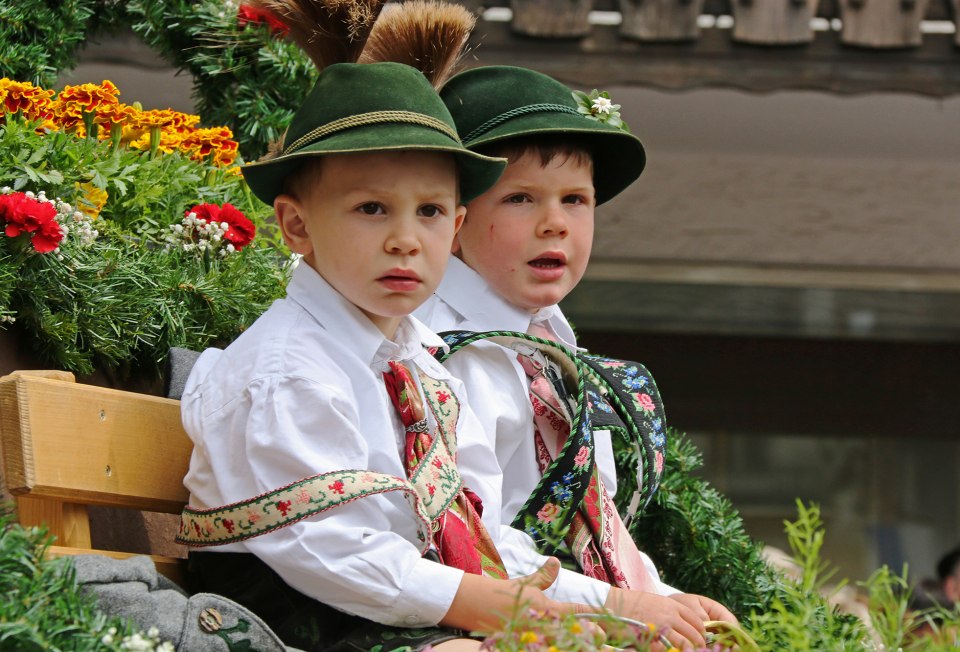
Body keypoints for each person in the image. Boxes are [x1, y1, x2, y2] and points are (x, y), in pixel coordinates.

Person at [175, 4, 606, 651]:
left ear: (455, 228)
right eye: (372, 208)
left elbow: (475, 532)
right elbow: (329, 551)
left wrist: (616, 603)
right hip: (297, 623)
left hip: (406, 611)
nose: (406, 240)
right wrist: (487, 606)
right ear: (296, 226)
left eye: (430, 211)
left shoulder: (419, 365)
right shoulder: (287, 368)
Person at [415, 64, 737, 643]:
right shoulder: (437, 349)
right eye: (520, 198)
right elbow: (469, 538)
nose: (555, 223)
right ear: (452, 220)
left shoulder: (550, 341)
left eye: (576, 200)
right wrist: (625, 607)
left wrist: (665, 599)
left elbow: (592, 525)